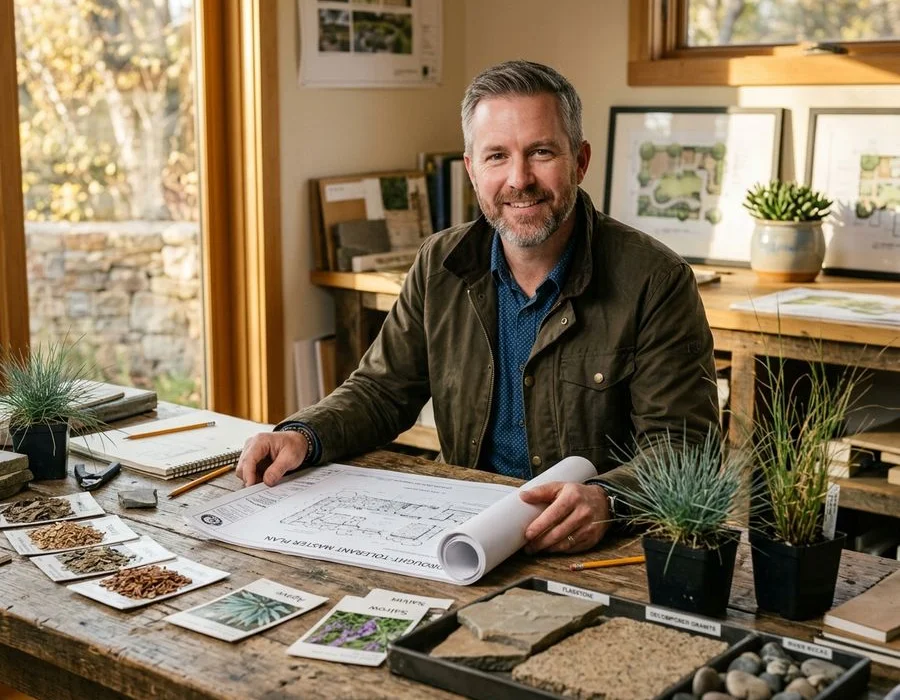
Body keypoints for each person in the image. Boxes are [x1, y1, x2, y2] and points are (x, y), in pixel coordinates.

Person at [237, 60, 718, 554]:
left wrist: (608, 499)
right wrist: (304, 434)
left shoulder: (656, 280)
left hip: (593, 550)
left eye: (541, 152)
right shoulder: (438, 264)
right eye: (496, 156)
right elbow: (383, 391)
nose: (519, 179)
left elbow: (685, 449)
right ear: (471, 169)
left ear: (580, 160)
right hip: (461, 533)